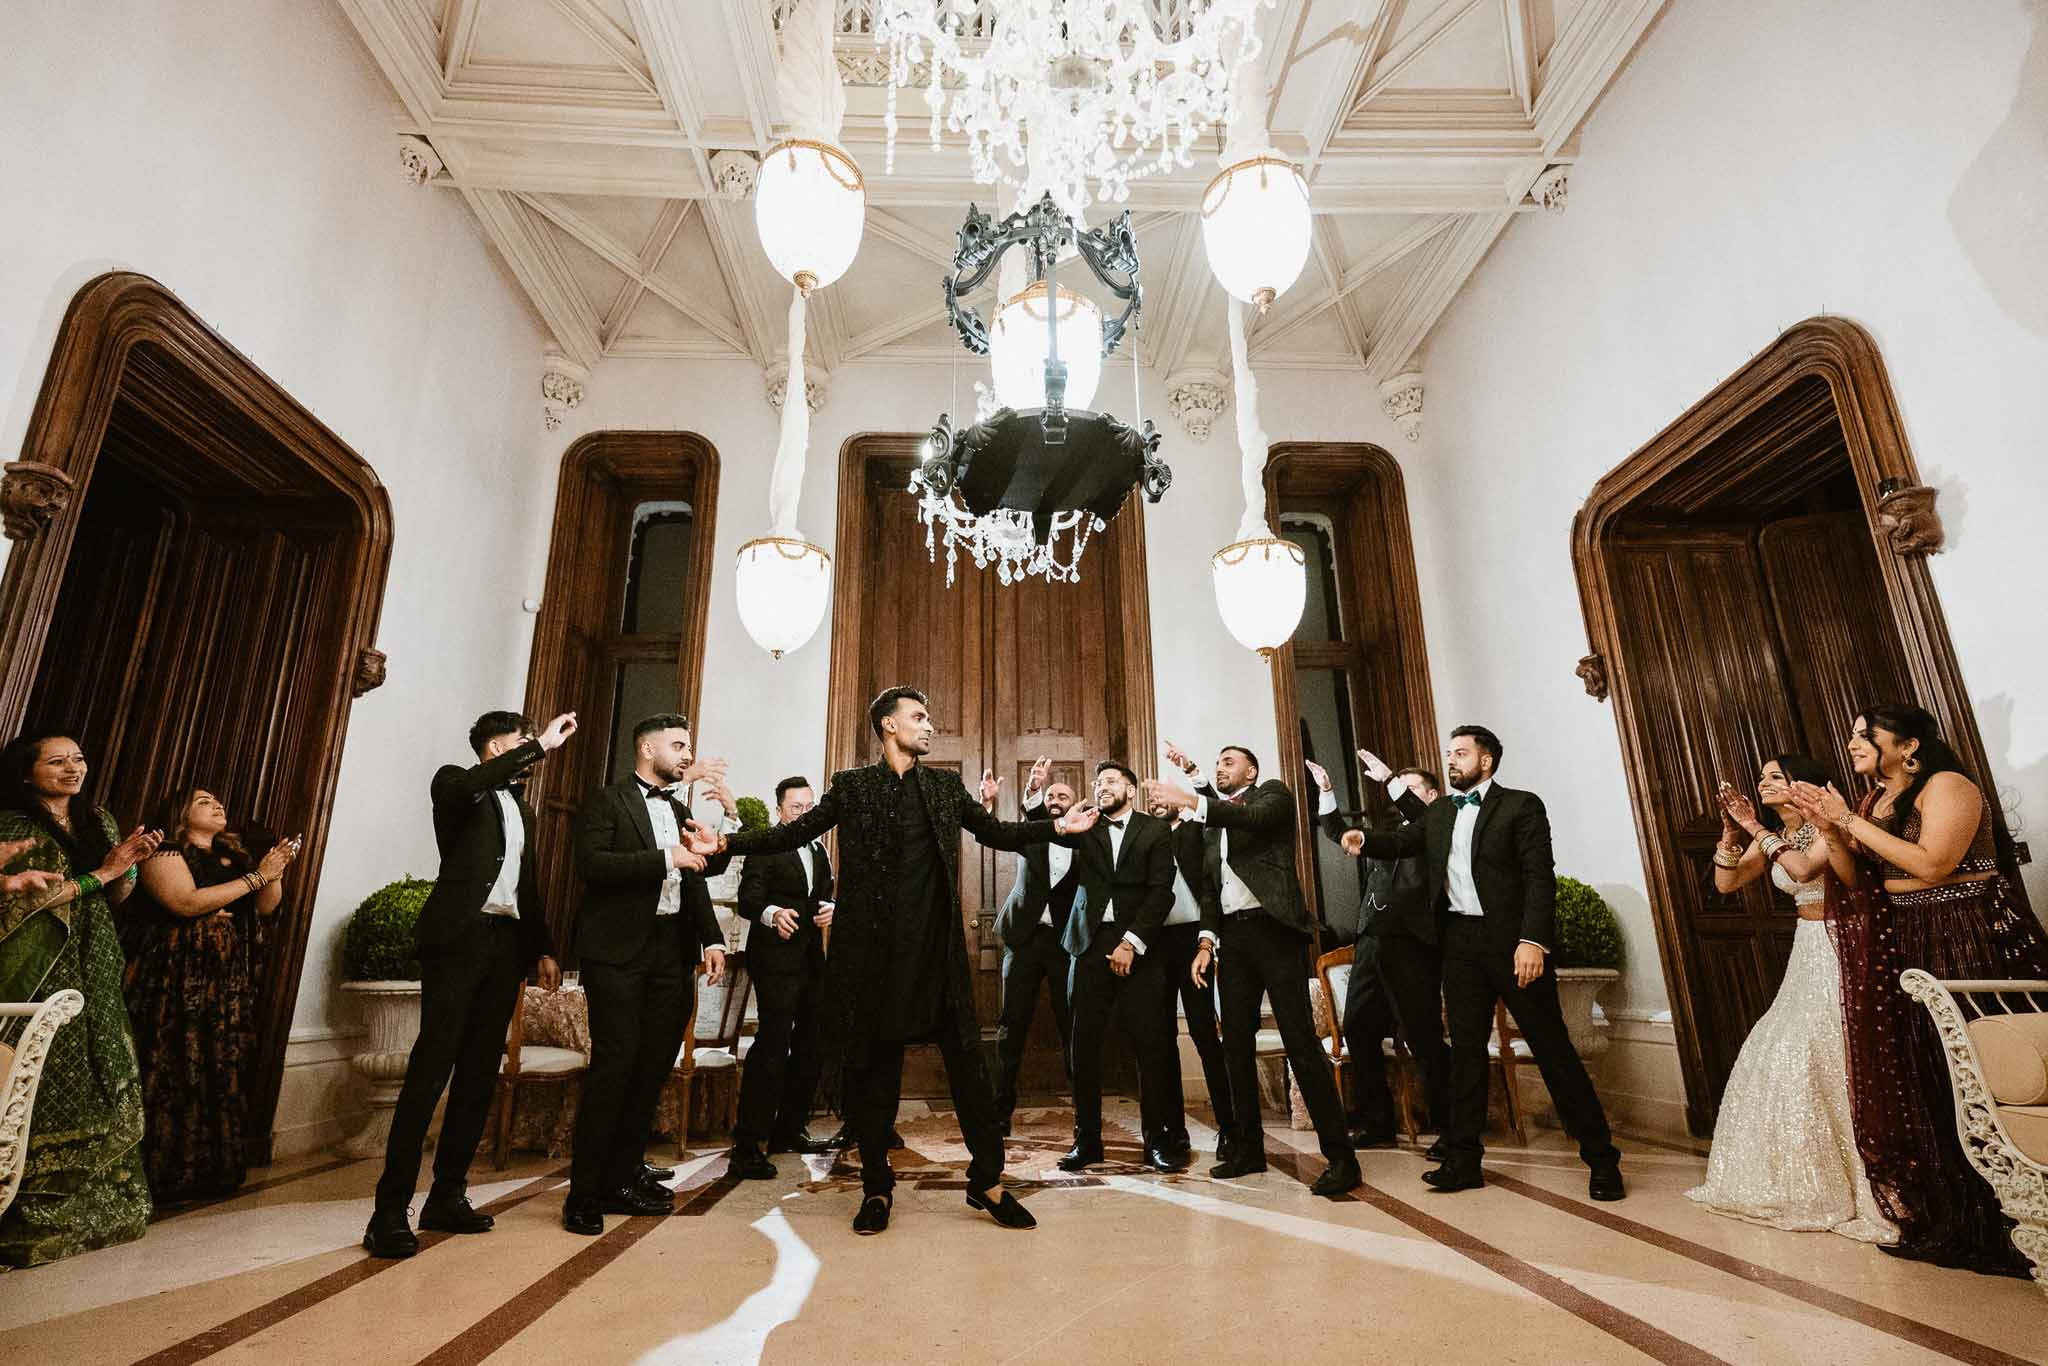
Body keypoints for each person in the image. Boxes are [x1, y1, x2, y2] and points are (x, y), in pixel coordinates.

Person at [687, 686, 1099, 1236]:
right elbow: (795, 831)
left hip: (936, 955)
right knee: (873, 1076)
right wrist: (727, 845)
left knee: (971, 1074)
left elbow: (995, 832)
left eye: (929, 717)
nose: (929, 726)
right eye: (919, 717)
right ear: (887, 725)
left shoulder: (946, 788)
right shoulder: (852, 787)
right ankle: (876, 1187)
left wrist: (1056, 828)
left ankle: (988, 1182)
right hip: (872, 959)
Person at [1793, 703, 2048, 1276]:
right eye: (1854, 734)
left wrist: (1849, 823)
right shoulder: (1873, 801)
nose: (1854, 743)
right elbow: (1859, 878)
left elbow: (1934, 864)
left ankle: (2012, 1221)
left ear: (1907, 746)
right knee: (1924, 1074)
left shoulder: (1948, 786)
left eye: (1866, 735)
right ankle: (1956, 1219)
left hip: (1963, 935)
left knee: (1972, 1072)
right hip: (1904, 938)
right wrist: (1835, 830)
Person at [1352, 727, 1623, 1201]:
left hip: (1514, 944)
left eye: (1461, 753)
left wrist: (1533, 941)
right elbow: (1403, 842)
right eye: (1449, 754)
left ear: (1488, 760)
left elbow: (1540, 877)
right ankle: (1463, 1160)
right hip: (1459, 944)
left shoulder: (1521, 806)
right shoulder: (1440, 813)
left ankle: (1602, 1160)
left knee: (1553, 1049)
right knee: (1466, 1056)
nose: (1452, 760)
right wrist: (1359, 838)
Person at [365, 711, 568, 1259]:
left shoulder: (521, 807)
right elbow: (474, 783)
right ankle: (388, 1212)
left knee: (480, 1073)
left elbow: (528, 883)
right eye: (522, 744)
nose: (532, 754)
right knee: (432, 1069)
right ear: (498, 746)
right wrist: (539, 746)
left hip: (504, 946)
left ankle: (447, 1196)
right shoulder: (455, 782)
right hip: (458, 942)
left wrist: (543, 947)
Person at [1682, 756, 1895, 1244]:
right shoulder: (1780, 835)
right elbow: (1726, 882)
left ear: (1805, 784)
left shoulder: (1825, 829)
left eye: (1775, 776)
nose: (1763, 782)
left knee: (1826, 1046)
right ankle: (1799, 1173)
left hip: (1841, 943)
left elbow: (1800, 871)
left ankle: (1863, 1176)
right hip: (1807, 946)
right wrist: (1732, 838)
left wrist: (1754, 825)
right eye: (1762, 777)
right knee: (1782, 1047)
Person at [1143, 745, 1362, 1199]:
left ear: (1251, 770)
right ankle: (1248, 1149)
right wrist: (1206, 941)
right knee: (1234, 1047)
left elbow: (1254, 821)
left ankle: (1342, 1159)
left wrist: (1191, 797)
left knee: (1301, 1045)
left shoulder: (1273, 796)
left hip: (1276, 933)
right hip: (1234, 942)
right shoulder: (1213, 825)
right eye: (1217, 762)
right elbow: (1208, 887)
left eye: (1229, 761)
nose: (1221, 767)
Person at [565, 713, 731, 1236]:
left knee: (650, 1069)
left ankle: (624, 1175)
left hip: (669, 952)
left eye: (689, 747)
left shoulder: (679, 807)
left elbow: (699, 875)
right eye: (678, 745)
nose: (687, 755)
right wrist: (667, 856)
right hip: (616, 952)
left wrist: (712, 938)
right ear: (645, 747)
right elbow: (592, 865)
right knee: (614, 1066)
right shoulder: (606, 801)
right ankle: (583, 1194)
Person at [0, 732, 161, 1267]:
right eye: (56, 761)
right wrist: (107, 870)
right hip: (45, 961)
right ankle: (30, 1214)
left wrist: (130, 863)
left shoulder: (100, 819)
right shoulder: (13, 826)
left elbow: (118, 892)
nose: (73, 769)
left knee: (102, 1068)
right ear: (27, 773)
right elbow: (37, 899)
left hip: (95, 955)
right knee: (48, 1075)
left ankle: (101, 1211)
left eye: (79, 758)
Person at [126, 786, 302, 1202]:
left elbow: (264, 908)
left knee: (216, 1062)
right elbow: (185, 902)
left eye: (219, 801)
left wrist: (272, 873)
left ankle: (209, 1169)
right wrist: (256, 877)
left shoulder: (235, 859)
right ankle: (160, 1172)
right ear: (182, 815)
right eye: (204, 802)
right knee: (172, 1060)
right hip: (175, 972)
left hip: (223, 975)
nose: (217, 806)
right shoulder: (165, 852)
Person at [1311, 757, 1451, 1153]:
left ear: (1430, 796)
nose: (1402, 796)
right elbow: (1338, 832)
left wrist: (1391, 779)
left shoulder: (1437, 831)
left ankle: (1449, 1126)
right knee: (1358, 1028)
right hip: (1371, 939)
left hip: (1413, 941)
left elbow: (1423, 822)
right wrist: (1326, 792)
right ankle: (1378, 1122)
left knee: (1423, 1035)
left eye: (1410, 789)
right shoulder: (1387, 834)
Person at [1057, 761, 1180, 1174]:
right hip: (1088, 946)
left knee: (1152, 1046)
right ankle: (1087, 1140)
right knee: (1084, 1047)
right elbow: (1045, 836)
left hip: (1140, 947)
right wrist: (1040, 804)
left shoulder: (1154, 830)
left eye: (1111, 781)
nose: (1102, 787)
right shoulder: (1086, 826)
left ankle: (1157, 1142)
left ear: (1130, 789)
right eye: (1098, 783)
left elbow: (1162, 893)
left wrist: (1132, 942)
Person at [728, 775, 835, 1178]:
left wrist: (830, 908)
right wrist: (773, 914)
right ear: (779, 810)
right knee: (772, 1045)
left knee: (811, 1045)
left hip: (811, 959)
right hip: (773, 957)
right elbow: (748, 900)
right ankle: (747, 1144)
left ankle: (789, 1130)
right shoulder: (767, 844)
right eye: (796, 808)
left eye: (810, 808)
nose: (804, 814)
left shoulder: (820, 850)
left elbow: (824, 894)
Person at [1146, 782, 1232, 1166]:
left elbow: (1216, 809)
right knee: (1161, 1039)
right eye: (1151, 800)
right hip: (1155, 944)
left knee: (1203, 1033)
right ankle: (1173, 1134)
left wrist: (1196, 781)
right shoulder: (1146, 837)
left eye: (1161, 796)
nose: (1155, 801)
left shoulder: (1196, 829)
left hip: (1195, 939)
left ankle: (1230, 1128)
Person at [994, 760, 1078, 1136]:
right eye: (1051, 796)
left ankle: (1083, 1108)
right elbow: (1027, 817)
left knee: (1071, 1027)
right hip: (1024, 940)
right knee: (1011, 1027)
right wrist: (1033, 790)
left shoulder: (1086, 841)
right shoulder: (1035, 834)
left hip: (1065, 944)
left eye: (1064, 796)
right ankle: (1000, 1111)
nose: (1056, 799)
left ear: (1077, 806)